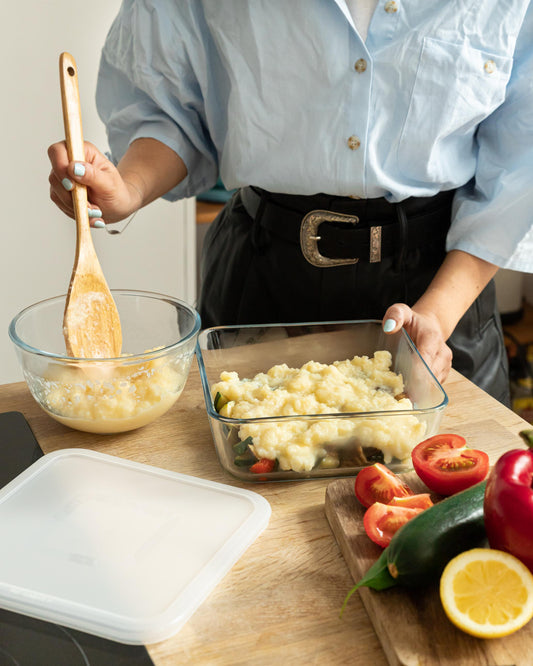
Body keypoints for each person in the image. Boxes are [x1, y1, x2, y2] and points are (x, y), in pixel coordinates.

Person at [48, 0, 533, 406]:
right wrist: (129, 186)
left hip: (442, 290)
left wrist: (437, 316)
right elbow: (171, 108)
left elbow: (520, 162)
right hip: (261, 281)